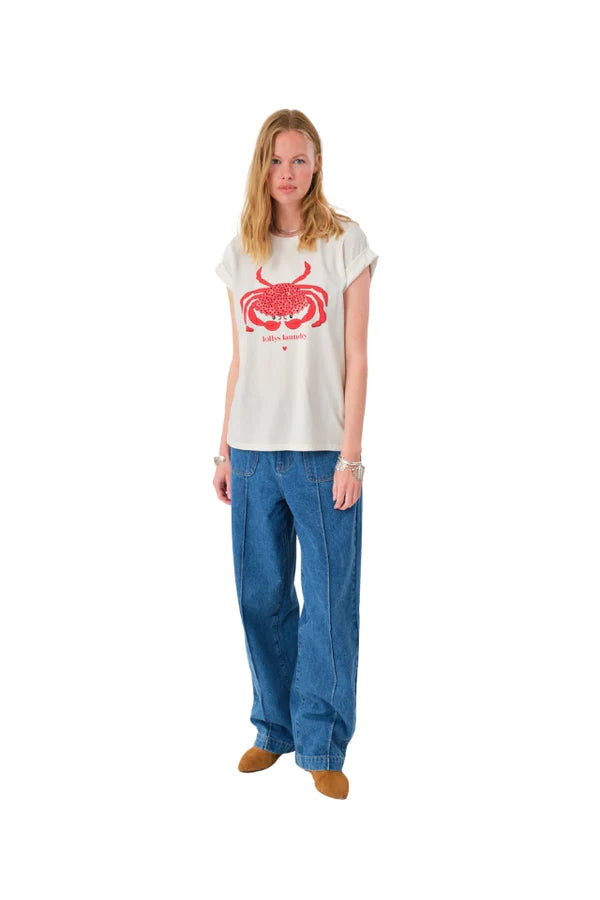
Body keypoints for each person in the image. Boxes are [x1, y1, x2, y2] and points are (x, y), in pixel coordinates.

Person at [213, 109, 378, 800]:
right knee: (261, 597)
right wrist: (222, 449)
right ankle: (273, 729)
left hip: (320, 454)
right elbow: (239, 359)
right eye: (277, 160)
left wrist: (351, 457)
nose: (288, 173)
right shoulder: (241, 251)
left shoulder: (344, 242)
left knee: (330, 601)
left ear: (316, 165)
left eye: (300, 160)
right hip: (252, 452)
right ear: (262, 166)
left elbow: (357, 357)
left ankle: (322, 742)